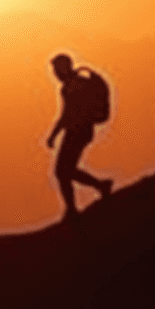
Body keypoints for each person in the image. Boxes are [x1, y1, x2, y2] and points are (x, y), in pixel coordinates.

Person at [46, 54, 113, 220]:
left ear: (64, 67)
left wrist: (53, 135)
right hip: (80, 132)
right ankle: (99, 186)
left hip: (77, 132)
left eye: (56, 69)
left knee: (63, 171)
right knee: (65, 171)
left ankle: (73, 209)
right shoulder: (78, 82)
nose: (55, 74)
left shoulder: (71, 86)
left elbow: (67, 115)